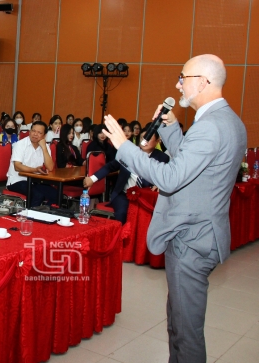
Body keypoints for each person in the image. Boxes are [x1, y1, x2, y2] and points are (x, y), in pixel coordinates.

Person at [101, 54, 246, 363]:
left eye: (184, 77)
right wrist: (172, 129)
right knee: (181, 323)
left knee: (185, 331)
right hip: (205, 231)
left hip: (191, 238)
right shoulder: (227, 120)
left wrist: (123, 146)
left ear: (203, 82)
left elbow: (170, 177)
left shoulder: (209, 126)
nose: (178, 84)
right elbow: (193, 167)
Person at [83, 124, 169, 223]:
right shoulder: (130, 153)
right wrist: (92, 179)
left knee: (146, 216)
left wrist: (159, 184)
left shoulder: (162, 158)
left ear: (158, 140)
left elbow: (166, 176)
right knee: (123, 213)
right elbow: (110, 166)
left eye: (149, 138)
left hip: (145, 197)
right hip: (123, 195)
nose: (144, 141)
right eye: (142, 138)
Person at [6, 121, 56, 207]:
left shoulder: (46, 146)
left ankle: (44, 214)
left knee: (56, 194)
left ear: (44, 136)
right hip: (17, 180)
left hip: (34, 181)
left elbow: (50, 167)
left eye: (39, 132)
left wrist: (44, 148)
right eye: (33, 131)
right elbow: (17, 167)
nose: (35, 134)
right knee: (38, 195)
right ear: (29, 132)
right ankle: (30, 216)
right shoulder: (20, 144)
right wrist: (35, 170)